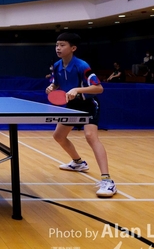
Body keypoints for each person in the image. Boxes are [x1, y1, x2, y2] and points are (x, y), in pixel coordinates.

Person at [46, 32, 116, 198]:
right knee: (58, 136)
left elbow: (99, 88)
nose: (58, 48)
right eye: (57, 45)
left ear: (73, 48)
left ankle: (107, 181)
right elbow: (57, 82)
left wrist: (78, 89)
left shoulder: (82, 65)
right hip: (71, 106)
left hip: (88, 105)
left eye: (62, 45)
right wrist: (52, 88)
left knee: (91, 137)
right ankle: (78, 163)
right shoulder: (57, 65)